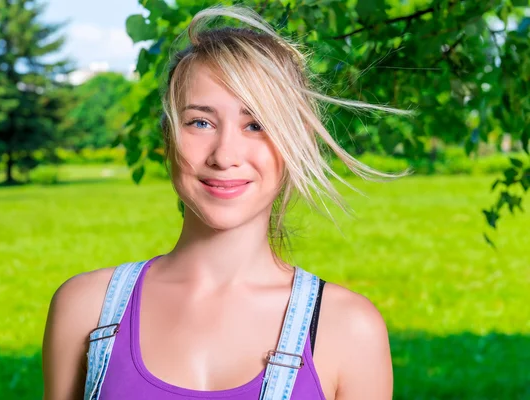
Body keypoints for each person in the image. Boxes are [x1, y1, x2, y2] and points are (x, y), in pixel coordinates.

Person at [42, 5, 409, 400]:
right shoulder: (85, 309)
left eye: (257, 125)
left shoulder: (349, 329)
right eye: (201, 122)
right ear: (168, 137)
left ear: (294, 140)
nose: (224, 155)